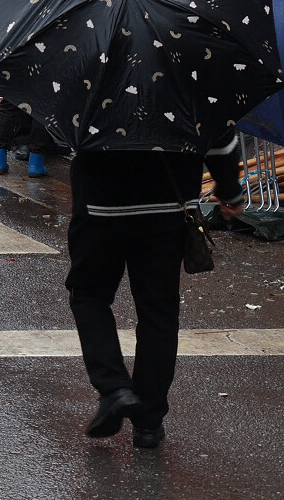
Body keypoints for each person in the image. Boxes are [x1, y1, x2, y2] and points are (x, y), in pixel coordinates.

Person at [68, 142, 247, 449]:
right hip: (168, 208)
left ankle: (114, 388)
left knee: (89, 295)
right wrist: (230, 192)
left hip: (100, 205)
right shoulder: (190, 92)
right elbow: (219, 140)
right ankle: (149, 423)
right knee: (159, 312)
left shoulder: (90, 91)